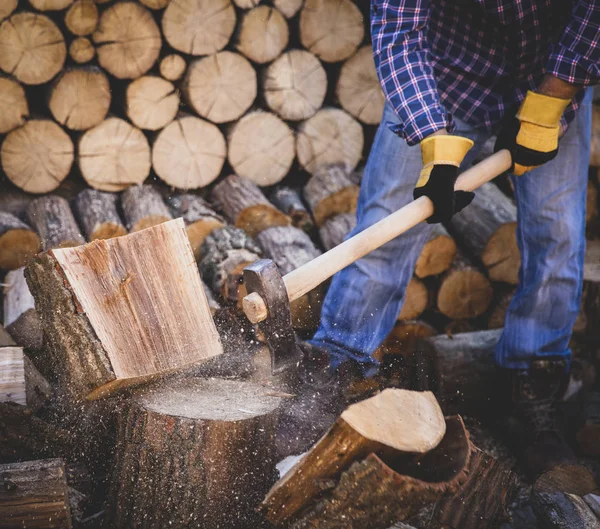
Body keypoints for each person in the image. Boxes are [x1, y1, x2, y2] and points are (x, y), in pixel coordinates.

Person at [277, 0, 599, 478]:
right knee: (385, 224)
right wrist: (432, 135)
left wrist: (557, 93)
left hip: (550, 74)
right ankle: (339, 363)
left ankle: (530, 382)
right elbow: (398, 31)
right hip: (444, 75)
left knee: (559, 234)